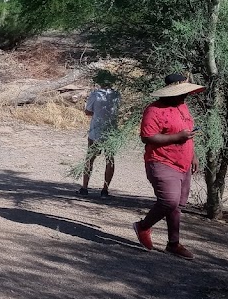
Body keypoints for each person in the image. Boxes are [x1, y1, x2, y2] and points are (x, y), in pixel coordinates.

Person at [131, 73, 205, 259]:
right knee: (169, 201)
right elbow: (147, 137)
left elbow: (188, 133)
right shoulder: (154, 110)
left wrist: (193, 155)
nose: (185, 96)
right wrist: (176, 137)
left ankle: (173, 243)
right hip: (161, 160)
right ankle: (143, 226)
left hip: (183, 162)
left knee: (177, 205)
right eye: (182, 93)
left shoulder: (182, 107)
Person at [78, 69, 121, 197]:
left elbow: (88, 111)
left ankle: (84, 187)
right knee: (110, 159)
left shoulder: (95, 95)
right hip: (111, 130)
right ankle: (105, 190)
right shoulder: (116, 95)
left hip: (96, 130)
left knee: (90, 158)